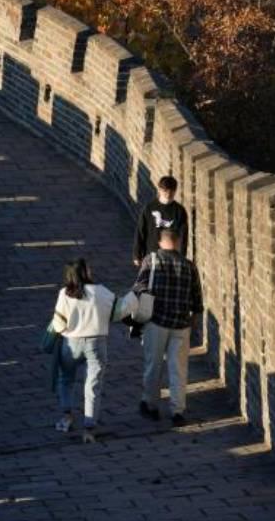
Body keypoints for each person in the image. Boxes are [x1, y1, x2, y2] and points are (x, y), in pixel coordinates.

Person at [134, 229, 203, 426]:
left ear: (161, 242)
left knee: (153, 365)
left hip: (156, 322)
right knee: (178, 369)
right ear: (178, 242)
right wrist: (192, 323)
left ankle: (151, 405)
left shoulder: (152, 260)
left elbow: (139, 287)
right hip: (181, 324)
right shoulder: (189, 266)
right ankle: (177, 411)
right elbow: (197, 301)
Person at [51, 259, 120, 443]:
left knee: (66, 379)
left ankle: (67, 416)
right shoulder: (101, 291)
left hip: (70, 343)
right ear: (86, 272)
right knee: (93, 386)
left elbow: (58, 324)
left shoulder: (64, 294)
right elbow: (118, 308)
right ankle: (89, 426)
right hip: (96, 343)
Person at [134, 175, 189, 267]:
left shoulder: (179, 210)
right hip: (151, 254)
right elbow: (141, 231)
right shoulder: (150, 208)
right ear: (159, 190)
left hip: (171, 257)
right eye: (165, 191)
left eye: (171, 192)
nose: (168, 194)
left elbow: (183, 236)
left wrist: (181, 257)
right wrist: (137, 255)